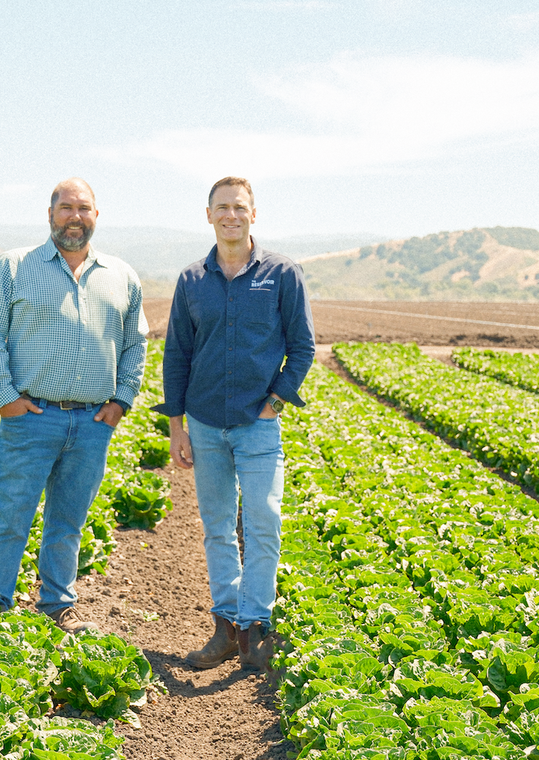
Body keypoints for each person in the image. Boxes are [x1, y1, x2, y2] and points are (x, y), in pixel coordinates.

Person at [152, 176, 315, 674]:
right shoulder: (191, 280)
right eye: (221, 207)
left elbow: (303, 348)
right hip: (203, 423)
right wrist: (176, 427)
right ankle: (225, 626)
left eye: (239, 207)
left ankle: (255, 625)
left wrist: (276, 401)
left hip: (257, 424)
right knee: (218, 526)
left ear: (253, 213)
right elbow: (176, 355)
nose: (231, 215)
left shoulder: (282, 274)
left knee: (263, 520)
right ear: (208, 215)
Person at [0, 177, 148, 634]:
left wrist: (121, 401)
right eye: (66, 207)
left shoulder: (121, 276)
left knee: (69, 520)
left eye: (84, 208)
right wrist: (4, 399)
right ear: (50, 215)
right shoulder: (13, 267)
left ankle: (56, 604)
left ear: (96, 216)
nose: (75, 216)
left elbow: (136, 344)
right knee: (11, 514)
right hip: (32, 418)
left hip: (91, 422)